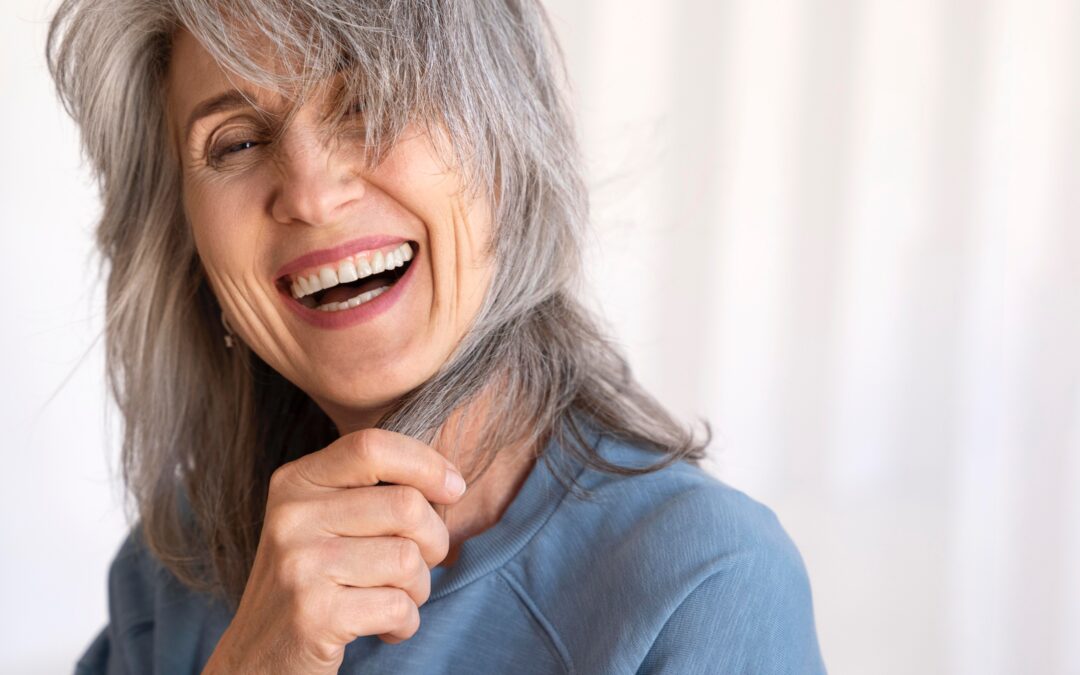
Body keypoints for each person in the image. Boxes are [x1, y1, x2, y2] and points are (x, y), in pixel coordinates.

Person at [47, 0, 827, 672]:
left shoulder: (706, 580)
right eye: (237, 142)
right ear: (187, 239)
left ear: (508, 141)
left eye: (370, 102)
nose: (313, 194)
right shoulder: (177, 563)